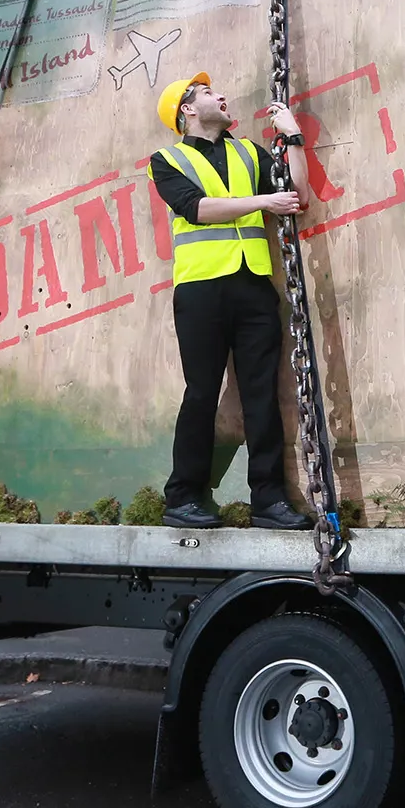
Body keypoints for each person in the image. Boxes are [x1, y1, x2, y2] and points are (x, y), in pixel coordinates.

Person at [148, 72, 315, 530]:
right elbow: (197, 209)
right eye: (206, 93)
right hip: (201, 290)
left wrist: (294, 139)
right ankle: (183, 496)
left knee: (260, 396)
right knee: (201, 394)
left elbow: (296, 197)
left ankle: (269, 500)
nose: (220, 95)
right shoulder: (166, 159)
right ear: (186, 109)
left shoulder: (247, 152)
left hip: (252, 285)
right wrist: (262, 201)